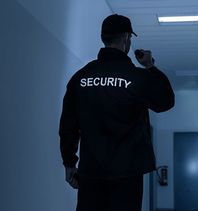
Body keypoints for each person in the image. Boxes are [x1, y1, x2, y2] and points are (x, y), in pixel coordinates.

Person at [59, 14, 175, 211]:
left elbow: (68, 125)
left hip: (91, 172)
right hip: (127, 174)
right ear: (126, 38)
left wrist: (69, 162)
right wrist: (150, 66)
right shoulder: (137, 78)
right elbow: (166, 101)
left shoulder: (80, 78)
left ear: (104, 38)